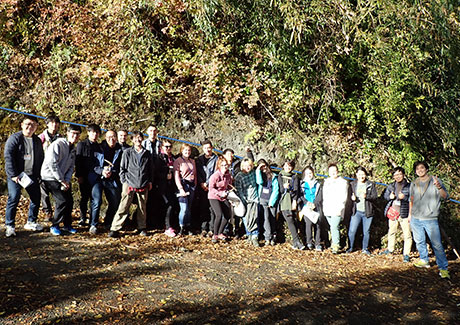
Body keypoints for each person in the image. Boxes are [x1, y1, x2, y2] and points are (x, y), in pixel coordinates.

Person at [4, 116, 44, 237]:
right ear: (21, 124)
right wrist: (13, 174)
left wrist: (39, 174)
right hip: (16, 174)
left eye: (33, 125)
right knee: (14, 197)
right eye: (27, 124)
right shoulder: (14, 138)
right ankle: (9, 225)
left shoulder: (37, 140)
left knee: (36, 197)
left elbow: (40, 158)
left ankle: (31, 221)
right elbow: (8, 157)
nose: (30, 127)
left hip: (30, 175)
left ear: (36, 127)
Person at [109, 131, 154, 238]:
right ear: (132, 140)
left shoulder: (147, 153)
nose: (138, 140)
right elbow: (122, 169)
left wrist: (150, 181)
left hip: (143, 183)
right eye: (135, 138)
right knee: (123, 207)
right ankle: (115, 228)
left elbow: (150, 169)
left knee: (142, 208)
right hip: (129, 184)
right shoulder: (127, 152)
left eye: (140, 138)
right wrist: (124, 181)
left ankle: (142, 227)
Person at [409, 161, 450, 279]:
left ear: (427, 169)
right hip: (416, 218)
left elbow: (445, 197)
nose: (420, 170)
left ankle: (443, 268)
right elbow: (411, 200)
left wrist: (439, 187)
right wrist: (410, 215)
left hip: (430, 218)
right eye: (417, 169)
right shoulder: (414, 183)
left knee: (437, 244)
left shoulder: (435, 181)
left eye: (422, 168)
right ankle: (424, 260)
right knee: (419, 241)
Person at [41, 125, 81, 235]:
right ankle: (55, 225)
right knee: (62, 200)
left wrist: (67, 180)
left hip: (62, 178)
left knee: (69, 201)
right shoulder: (58, 144)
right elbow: (51, 163)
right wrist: (61, 180)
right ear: (67, 133)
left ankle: (67, 225)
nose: (75, 136)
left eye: (77, 134)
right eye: (73, 133)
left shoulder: (73, 149)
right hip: (49, 177)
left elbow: (71, 167)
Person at [92, 130, 123, 232]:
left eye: (114, 137)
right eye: (109, 137)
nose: (111, 139)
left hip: (112, 179)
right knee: (97, 201)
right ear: (105, 137)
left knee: (115, 202)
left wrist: (112, 172)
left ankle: (108, 222)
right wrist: (102, 171)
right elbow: (93, 165)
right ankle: (93, 224)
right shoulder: (99, 148)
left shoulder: (120, 150)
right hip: (99, 178)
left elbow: (121, 167)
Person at [381, 167, 412, 262]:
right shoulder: (391, 186)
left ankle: (406, 254)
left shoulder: (409, 186)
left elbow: (413, 199)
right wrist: (389, 197)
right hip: (393, 212)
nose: (397, 176)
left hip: (404, 213)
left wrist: (405, 197)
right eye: (395, 175)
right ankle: (390, 249)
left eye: (399, 174)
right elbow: (385, 196)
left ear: (403, 174)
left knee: (407, 234)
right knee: (391, 231)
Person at [347, 167, 378, 255]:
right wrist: (352, 198)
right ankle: (350, 247)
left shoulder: (370, 184)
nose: (361, 176)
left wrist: (367, 196)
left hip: (367, 212)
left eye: (363, 174)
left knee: (366, 231)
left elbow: (375, 196)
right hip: (356, 211)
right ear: (356, 175)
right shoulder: (352, 184)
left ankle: (365, 248)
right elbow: (348, 197)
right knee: (352, 230)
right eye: (359, 174)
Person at [75, 124, 102, 227]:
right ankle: (82, 218)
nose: (94, 135)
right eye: (92, 132)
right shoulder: (82, 144)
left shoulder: (99, 147)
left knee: (95, 199)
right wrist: (79, 175)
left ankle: (93, 220)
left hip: (95, 176)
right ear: (88, 133)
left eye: (97, 133)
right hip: (84, 175)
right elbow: (78, 161)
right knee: (84, 197)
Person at [38, 114, 61, 221]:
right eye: (51, 123)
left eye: (56, 123)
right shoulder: (41, 138)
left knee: (57, 193)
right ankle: (47, 212)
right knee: (44, 192)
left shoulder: (60, 138)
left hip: (56, 169)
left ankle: (58, 212)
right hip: (42, 168)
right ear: (47, 124)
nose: (54, 125)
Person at [322, 163, 348, 254]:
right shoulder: (327, 181)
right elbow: (324, 195)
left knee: (334, 226)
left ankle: (336, 246)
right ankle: (333, 242)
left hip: (337, 208)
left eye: (334, 171)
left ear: (337, 171)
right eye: (331, 171)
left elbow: (343, 197)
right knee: (332, 227)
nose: (333, 173)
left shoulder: (342, 182)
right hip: (328, 208)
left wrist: (340, 208)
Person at [277, 160, 303, 250]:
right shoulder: (280, 176)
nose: (288, 168)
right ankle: (297, 242)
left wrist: (295, 200)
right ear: (283, 166)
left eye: (290, 166)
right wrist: (284, 187)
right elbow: (280, 190)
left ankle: (296, 242)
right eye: (286, 166)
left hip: (292, 201)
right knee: (290, 220)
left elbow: (296, 190)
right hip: (284, 201)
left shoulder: (295, 177)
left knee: (294, 221)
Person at [234, 158, 260, 247]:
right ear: (242, 166)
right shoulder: (239, 177)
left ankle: (255, 236)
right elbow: (239, 190)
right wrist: (243, 199)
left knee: (255, 217)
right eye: (245, 166)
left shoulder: (253, 173)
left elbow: (253, 160)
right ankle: (249, 234)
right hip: (245, 200)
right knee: (246, 218)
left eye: (249, 166)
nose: (247, 167)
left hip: (254, 199)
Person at [196, 140, 218, 237]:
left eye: (209, 148)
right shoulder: (199, 159)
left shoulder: (216, 159)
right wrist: (202, 183)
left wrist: (208, 183)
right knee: (203, 207)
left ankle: (211, 229)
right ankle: (203, 228)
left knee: (212, 208)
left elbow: (216, 172)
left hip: (212, 187)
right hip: (202, 187)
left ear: (212, 148)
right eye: (205, 148)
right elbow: (197, 172)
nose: (207, 150)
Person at [174, 143, 197, 235]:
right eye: (185, 150)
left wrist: (195, 185)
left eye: (189, 150)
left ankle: (188, 226)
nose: (187, 152)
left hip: (191, 185)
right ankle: (181, 226)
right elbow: (176, 176)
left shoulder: (192, 161)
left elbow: (195, 174)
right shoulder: (178, 161)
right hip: (183, 185)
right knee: (183, 208)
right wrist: (180, 188)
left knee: (189, 208)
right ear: (181, 151)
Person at [208, 156, 233, 243]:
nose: (224, 167)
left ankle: (220, 232)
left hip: (224, 197)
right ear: (219, 166)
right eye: (222, 165)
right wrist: (220, 193)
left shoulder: (228, 175)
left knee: (227, 215)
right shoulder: (215, 176)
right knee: (218, 214)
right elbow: (211, 188)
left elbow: (229, 186)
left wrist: (230, 195)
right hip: (214, 196)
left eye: (226, 165)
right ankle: (215, 234)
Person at [298, 166, 323, 251]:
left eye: (310, 173)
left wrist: (315, 203)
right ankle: (309, 242)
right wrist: (307, 203)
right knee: (308, 224)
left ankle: (318, 243)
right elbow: (300, 196)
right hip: (306, 207)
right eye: (307, 173)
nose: (309, 175)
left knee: (318, 225)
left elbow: (320, 195)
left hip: (316, 206)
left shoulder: (318, 183)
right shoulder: (302, 184)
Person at [157, 140, 179, 237]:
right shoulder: (158, 158)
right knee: (168, 205)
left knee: (173, 205)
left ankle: (171, 225)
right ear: (162, 147)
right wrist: (164, 176)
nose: (168, 148)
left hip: (172, 186)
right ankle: (167, 226)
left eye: (170, 146)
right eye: (166, 147)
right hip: (161, 186)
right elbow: (155, 172)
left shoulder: (173, 158)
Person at [255, 159, 279, 246]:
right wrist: (258, 170)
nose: (263, 168)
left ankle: (273, 236)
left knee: (272, 218)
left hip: (271, 199)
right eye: (261, 166)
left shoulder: (274, 176)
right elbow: (259, 182)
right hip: (262, 199)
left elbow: (276, 189)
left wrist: (272, 202)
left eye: (264, 166)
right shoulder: (259, 175)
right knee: (266, 218)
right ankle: (267, 237)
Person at [142, 124, 161, 229]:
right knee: (147, 200)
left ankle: (155, 222)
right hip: (147, 174)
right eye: (150, 130)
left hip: (158, 175)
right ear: (147, 132)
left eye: (154, 130)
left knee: (157, 199)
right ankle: (146, 222)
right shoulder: (144, 144)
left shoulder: (160, 144)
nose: (153, 133)